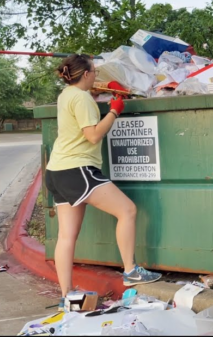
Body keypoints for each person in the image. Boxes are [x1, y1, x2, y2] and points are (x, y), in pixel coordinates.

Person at [45, 54, 162, 312]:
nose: (97, 75)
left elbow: (82, 115)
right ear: (85, 74)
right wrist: (114, 111)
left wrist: (104, 96)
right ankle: (131, 270)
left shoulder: (67, 94)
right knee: (127, 210)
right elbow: (93, 135)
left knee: (66, 236)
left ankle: (67, 296)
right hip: (78, 169)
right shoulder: (82, 98)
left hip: (56, 171)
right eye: (94, 72)